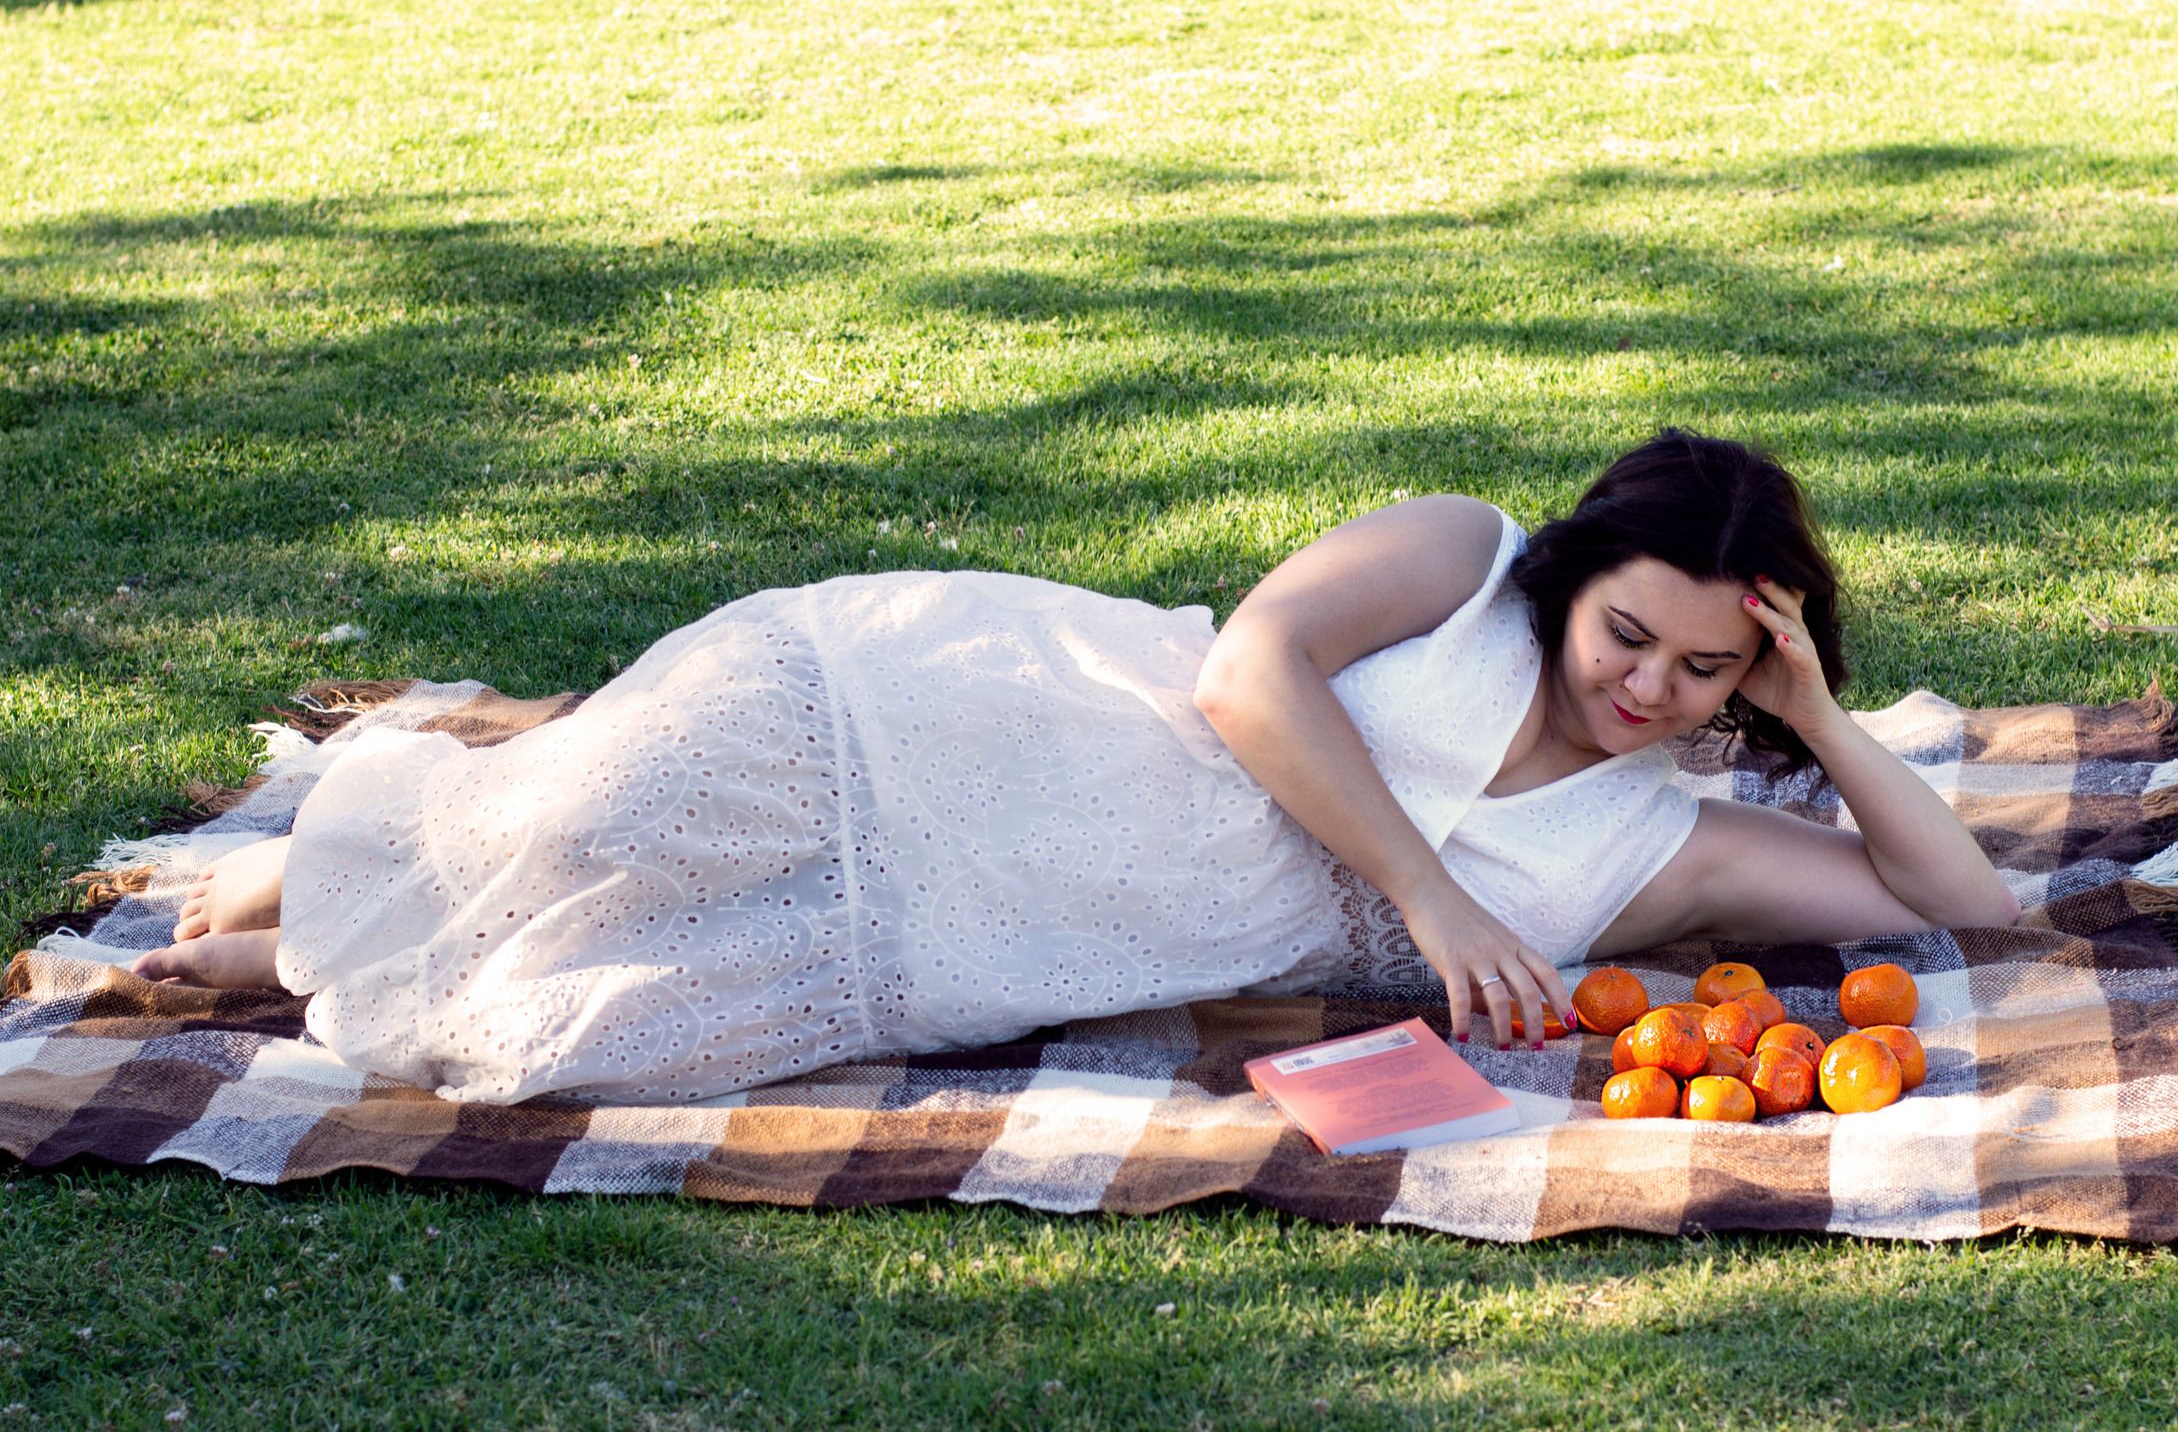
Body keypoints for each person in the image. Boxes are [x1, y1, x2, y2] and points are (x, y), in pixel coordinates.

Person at [134, 429, 2017, 1104]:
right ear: (1569, 577)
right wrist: (1432, 898)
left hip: (1037, 929)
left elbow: (1965, 906)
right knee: (615, 814)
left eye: (1706, 671)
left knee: (597, 1037)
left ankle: (340, 923)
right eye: (1628, 636)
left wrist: (1824, 722)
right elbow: (1252, 674)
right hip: (991, 705)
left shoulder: (1661, 848)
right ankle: (384, 848)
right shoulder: (1456, 557)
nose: (1647, 689)